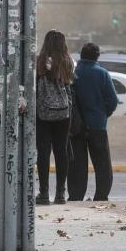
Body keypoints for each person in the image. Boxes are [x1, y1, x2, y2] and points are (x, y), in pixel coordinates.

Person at [68, 42, 118, 202]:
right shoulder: (102, 74)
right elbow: (112, 100)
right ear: (97, 56)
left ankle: (76, 196)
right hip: (97, 126)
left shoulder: (73, 73)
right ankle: (101, 195)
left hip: (76, 127)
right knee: (102, 164)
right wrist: (103, 114)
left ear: (81, 55)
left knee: (77, 165)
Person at [34, 30, 75, 205]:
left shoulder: (41, 61)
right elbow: (70, 83)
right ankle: (60, 193)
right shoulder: (68, 61)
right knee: (61, 151)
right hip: (63, 112)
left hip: (43, 111)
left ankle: (43, 193)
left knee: (43, 152)